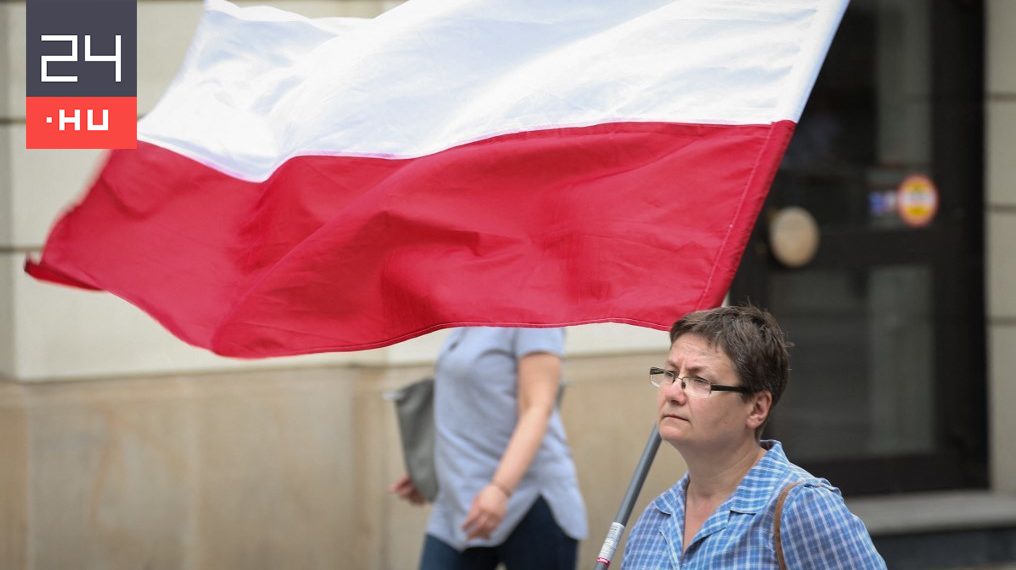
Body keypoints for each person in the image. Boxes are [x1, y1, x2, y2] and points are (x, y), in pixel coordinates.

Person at [622, 305, 885, 569]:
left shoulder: (802, 506)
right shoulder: (654, 519)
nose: (673, 393)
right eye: (670, 374)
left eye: (699, 380)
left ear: (757, 408)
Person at [390, 327, 587, 570]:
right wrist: (432, 466)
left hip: (529, 498)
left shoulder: (534, 313)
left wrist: (501, 488)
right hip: (458, 502)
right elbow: (464, 402)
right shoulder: (471, 314)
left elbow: (538, 407)